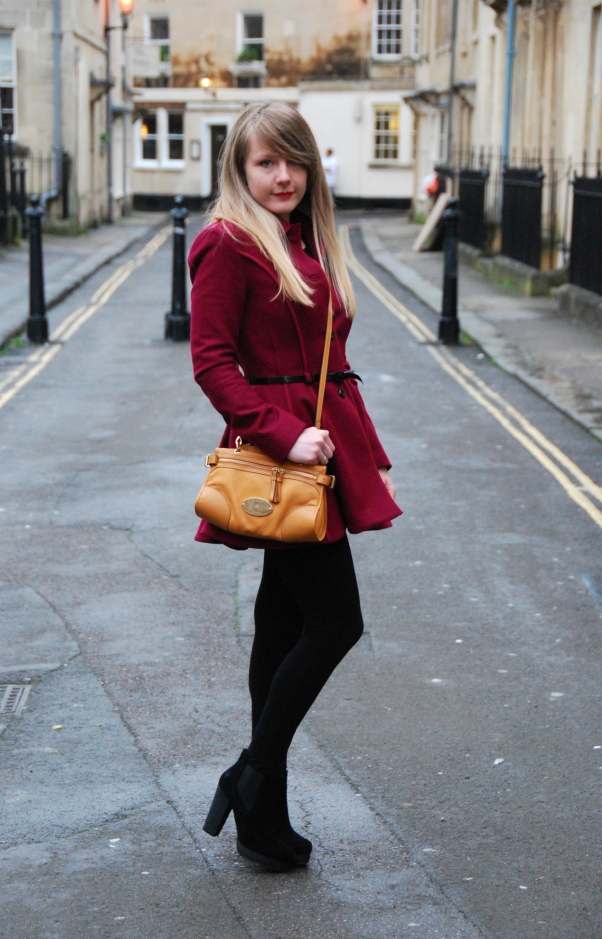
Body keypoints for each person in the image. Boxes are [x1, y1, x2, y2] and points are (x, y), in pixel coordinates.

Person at [189, 101, 402, 873]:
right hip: (290, 450)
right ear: (239, 170)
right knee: (335, 621)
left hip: (325, 443)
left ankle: (261, 815)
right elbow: (210, 361)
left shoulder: (305, 237)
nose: (282, 176)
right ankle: (251, 777)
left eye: (294, 161)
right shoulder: (227, 243)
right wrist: (283, 433)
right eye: (264, 163)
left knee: (281, 623)